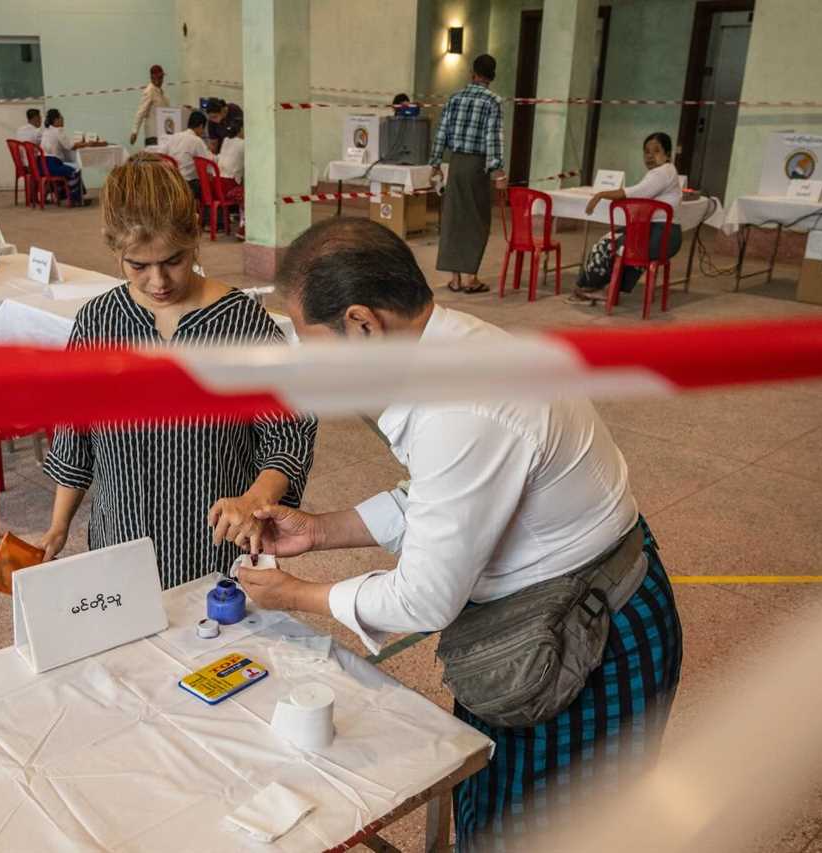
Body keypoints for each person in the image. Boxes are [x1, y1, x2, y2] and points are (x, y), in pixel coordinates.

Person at [239, 217, 682, 852]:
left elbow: (425, 599)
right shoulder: (453, 345)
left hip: (587, 636)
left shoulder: (463, 407)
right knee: (502, 810)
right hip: (550, 617)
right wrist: (319, 531)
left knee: (554, 831)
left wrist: (297, 595)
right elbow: (438, 495)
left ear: (362, 325)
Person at [39, 154, 316, 586]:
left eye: (173, 260)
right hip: (121, 537)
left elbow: (288, 432)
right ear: (115, 251)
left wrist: (255, 499)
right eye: (138, 266)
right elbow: (76, 432)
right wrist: (58, 527)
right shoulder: (99, 322)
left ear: (195, 238)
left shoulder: (238, 323)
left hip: (214, 548)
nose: (158, 281)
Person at [568, 132, 684, 304]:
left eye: (656, 151)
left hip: (662, 236)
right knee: (614, 240)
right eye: (646, 151)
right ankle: (607, 289)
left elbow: (636, 193)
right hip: (658, 233)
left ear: (667, 155)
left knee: (608, 245)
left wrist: (601, 194)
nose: (650, 156)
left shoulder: (662, 173)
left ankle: (588, 288)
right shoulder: (665, 171)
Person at [429, 54, 506, 294]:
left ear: (472, 73)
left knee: (454, 218)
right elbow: (492, 137)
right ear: (492, 76)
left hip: (456, 163)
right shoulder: (493, 101)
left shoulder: (455, 98)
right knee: (476, 220)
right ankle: (471, 278)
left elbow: (441, 132)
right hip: (476, 166)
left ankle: (455, 279)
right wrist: (498, 170)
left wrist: (435, 163)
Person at [40, 109, 104, 206]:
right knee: (75, 170)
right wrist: (87, 144)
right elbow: (71, 146)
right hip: (52, 165)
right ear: (55, 120)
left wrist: (80, 144)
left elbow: (66, 144)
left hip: (42, 165)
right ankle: (76, 200)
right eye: (61, 117)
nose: (63, 119)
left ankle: (65, 196)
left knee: (69, 166)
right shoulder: (58, 131)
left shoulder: (47, 131)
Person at [164, 111, 216, 201]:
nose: (203, 132)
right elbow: (208, 161)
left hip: (171, 182)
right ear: (201, 126)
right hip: (188, 184)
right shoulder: (196, 140)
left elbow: (164, 154)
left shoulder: (174, 137)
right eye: (203, 129)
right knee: (209, 185)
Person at [130, 64, 170, 146]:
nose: (161, 80)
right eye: (159, 77)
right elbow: (141, 112)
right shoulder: (149, 91)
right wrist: (135, 131)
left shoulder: (161, 93)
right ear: (152, 77)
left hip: (163, 134)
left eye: (162, 77)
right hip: (152, 135)